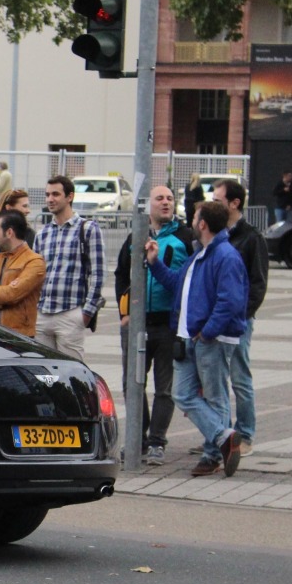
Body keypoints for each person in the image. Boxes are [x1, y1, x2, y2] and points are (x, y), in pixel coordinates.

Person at [147, 200, 246, 478]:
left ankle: (213, 453)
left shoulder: (225, 255)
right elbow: (178, 282)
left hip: (209, 339)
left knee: (215, 396)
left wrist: (209, 331)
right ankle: (224, 438)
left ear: (202, 224)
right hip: (189, 337)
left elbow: (230, 301)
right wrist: (154, 263)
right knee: (183, 393)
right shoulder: (200, 255)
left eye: (194, 217)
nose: (190, 220)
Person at [113, 185, 193, 466]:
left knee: (164, 387)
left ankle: (157, 441)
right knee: (131, 383)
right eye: (160, 198)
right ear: (149, 206)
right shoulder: (137, 235)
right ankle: (139, 438)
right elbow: (121, 274)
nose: (166, 203)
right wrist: (124, 313)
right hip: (136, 324)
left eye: (170, 199)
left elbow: (187, 280)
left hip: (167, 324)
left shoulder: (184, 237)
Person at [214, 178, 268, 457]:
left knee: (239, 378)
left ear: (234, 203)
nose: (214, 204)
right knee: (215, 379)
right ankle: (222, 434)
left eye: (218, 200)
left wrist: (242, 317)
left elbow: (258, 284)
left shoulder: (251, 238)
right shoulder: (215, 233)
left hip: (238, 322)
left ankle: (245, 433)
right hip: (214, 320)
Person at [32, 175, 105, 361]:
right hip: (42, 313)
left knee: (72, 375)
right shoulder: (43, 234)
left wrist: (86, 314)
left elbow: (97, 274)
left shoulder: (88, 229)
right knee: (43, 375)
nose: (50, 199)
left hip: (70, 312)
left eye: (56, 194)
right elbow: (34, 274)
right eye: (47, 194)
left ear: (69, 197)